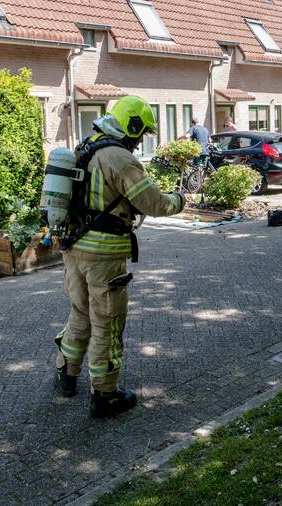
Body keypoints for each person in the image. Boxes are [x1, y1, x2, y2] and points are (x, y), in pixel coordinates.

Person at [53, 96, 186, 418]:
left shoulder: (87, 146)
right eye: (141, 134)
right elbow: (154, 204)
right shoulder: (120, 158)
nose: (140, 142)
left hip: (74, 247)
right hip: (104, 255)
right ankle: (105, 394)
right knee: (107, 323)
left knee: (80, 313)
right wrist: (179, 199)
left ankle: (66, 375)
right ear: (133, 126)